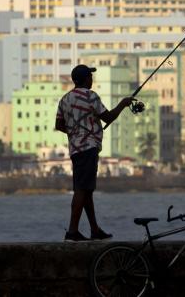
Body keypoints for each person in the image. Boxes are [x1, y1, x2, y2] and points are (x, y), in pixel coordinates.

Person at [53, 64, 134, 242]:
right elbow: (108, 117)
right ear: (85, 79)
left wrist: (75, 132)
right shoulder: (90, 96)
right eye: (90, 76)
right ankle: (72, 231)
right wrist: (123, 103)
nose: (92, 79)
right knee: (82, 189)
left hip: (75, 149)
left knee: (86, 189)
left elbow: (59, 125)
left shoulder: (65, 99)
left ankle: (94, 229)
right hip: (88, 148)